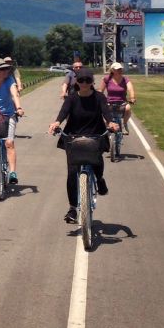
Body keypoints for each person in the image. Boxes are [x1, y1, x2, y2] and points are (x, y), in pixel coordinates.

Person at [48, 67, 119, 224]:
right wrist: (56, 123)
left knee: (97, 161)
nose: (85, 83)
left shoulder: (99, 97)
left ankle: (99, 179)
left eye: (88, 80)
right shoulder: (72, 98)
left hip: (95, 134)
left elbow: (106, 113)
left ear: (92, 82)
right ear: (77, 82)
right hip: (73, 137)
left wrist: (111, 122)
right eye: (81, 80)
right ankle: (73, 208)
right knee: (72, 172)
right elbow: (63, 113)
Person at [100, 61, 136, 133]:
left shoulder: (125, 79)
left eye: (121, 69)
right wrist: (99, 99)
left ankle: (124, 123)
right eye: (118, 69)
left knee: (128, 108)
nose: (120, 71)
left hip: (122, 102)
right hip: (109, 102)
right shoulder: (107, 79)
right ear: (112, 70)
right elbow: (101, 90)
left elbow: (130, 89)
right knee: (103, 113)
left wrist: (132, 97)